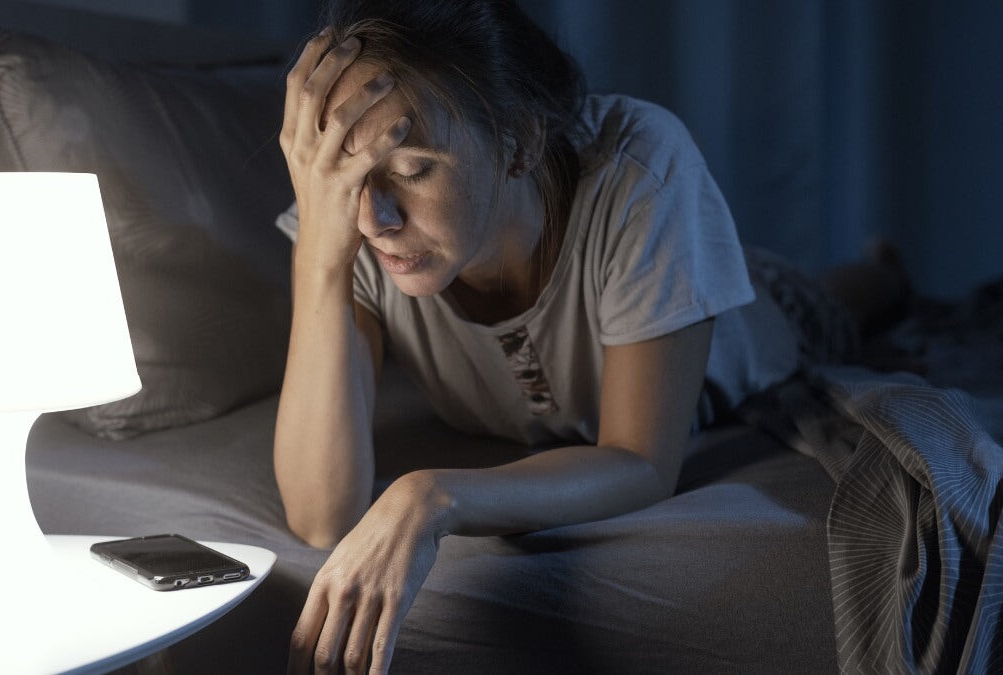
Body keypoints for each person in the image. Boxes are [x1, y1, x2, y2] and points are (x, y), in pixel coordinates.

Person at [272, 1, 907, 672]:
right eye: (346, 174)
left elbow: (640, 458)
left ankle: (883, 273)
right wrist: (321, 253)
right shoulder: (339, 224)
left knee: (837, 303)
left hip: (756, 323)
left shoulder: (640, 172)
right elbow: (321, 513)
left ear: (518, 141)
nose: (376, 216)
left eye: (413, 169)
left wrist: (428, 495)